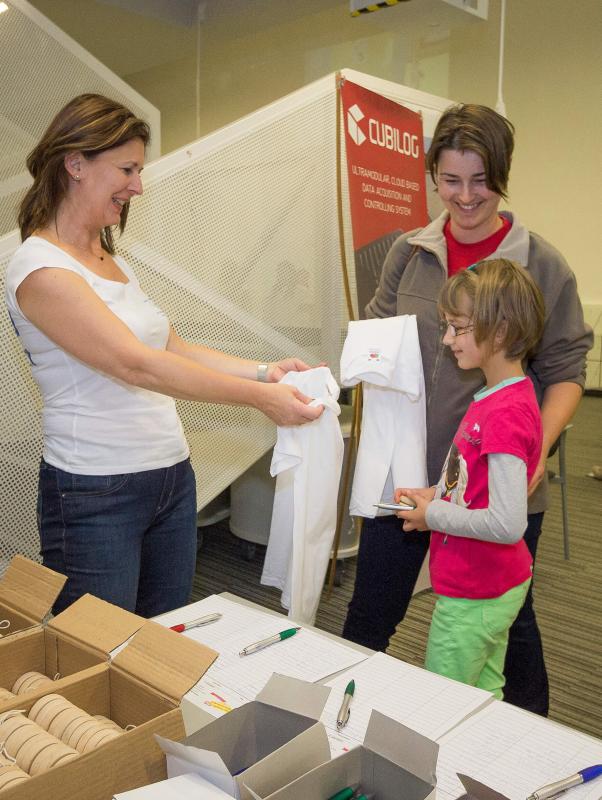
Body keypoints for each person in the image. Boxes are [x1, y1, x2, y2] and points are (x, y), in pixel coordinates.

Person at [5, 93, 323, 618]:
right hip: (96, 489)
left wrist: (266, 373)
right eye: (127, 169)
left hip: (170, 475)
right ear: (76, 163)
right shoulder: (40, 268)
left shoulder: (110, 259)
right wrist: (258, 400)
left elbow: (173, 347)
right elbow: (136, 364)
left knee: (163, 632)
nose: (137, 186)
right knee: (99, 645)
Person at [342, 103, 593, 716]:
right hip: (409, 474)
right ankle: (338, 729)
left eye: (481, 180)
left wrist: (535, 450)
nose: (465, 196)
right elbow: (377, 338)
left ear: (502, 175)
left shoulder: (542, 265)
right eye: (450, 180)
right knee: (370, 612)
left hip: (495, 480)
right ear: (433, 176)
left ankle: (532, 743)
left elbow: (566, 373)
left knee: (507, 624)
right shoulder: (409, 253)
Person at [394, 259, 544, 698]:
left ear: (499, 332)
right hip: (486, 586)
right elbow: (475, 487)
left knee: (444, 700)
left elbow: (507, 523)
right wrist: (433, 495)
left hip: (475, 594)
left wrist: (433, 515)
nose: (447, 338)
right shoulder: (497, 398)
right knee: (483, 693)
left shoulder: (506, 413)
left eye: (458, 328)